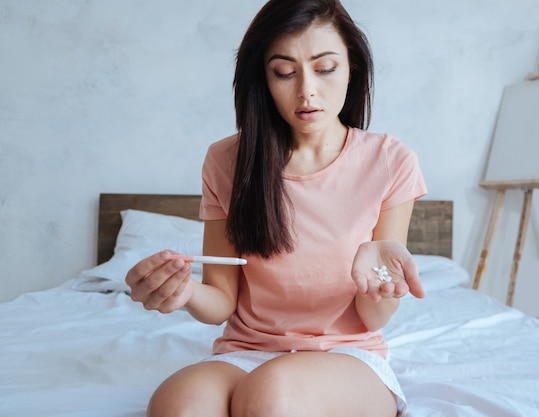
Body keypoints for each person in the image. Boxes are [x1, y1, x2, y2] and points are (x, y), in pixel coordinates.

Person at [125, 0, 427, 416]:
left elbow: (374, 319)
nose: (306, 90)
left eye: (325, 68)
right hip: (245, 352)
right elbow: (221, 304)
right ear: (263, 78)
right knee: (176, 405)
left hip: (346, 357)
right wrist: (184, 292)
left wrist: (379, 282)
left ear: (352, 68)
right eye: (284, 72)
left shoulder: (390, 160)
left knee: (270, 394)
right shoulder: (227, 161)